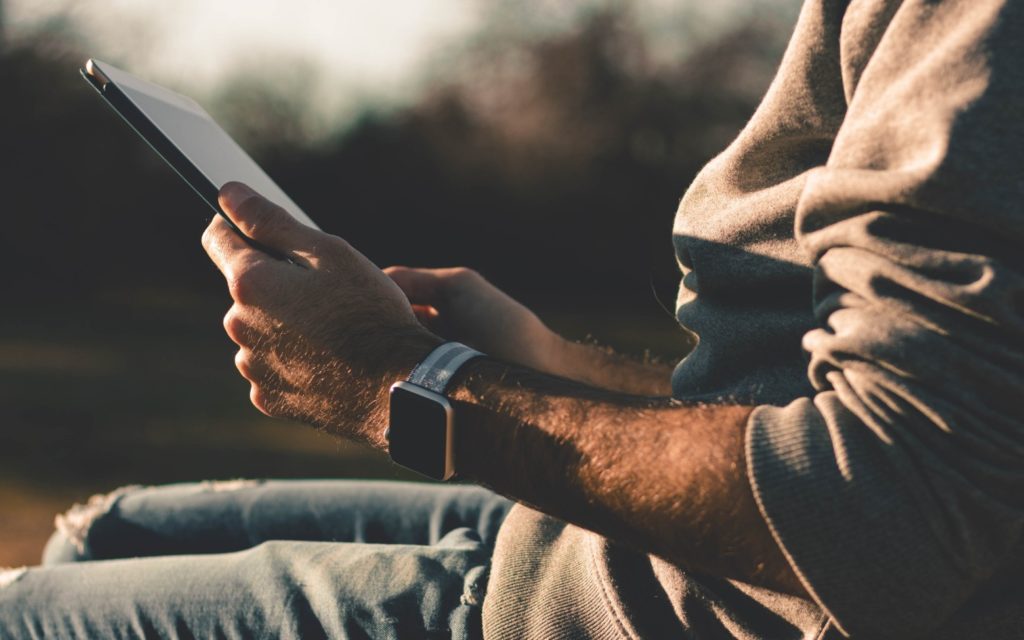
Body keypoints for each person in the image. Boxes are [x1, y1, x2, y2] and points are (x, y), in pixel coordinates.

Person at [2, 0, 1022, 637]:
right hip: (638, 551)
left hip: (674, 604)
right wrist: (542, 362)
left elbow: (894, 506)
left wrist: (402, 381)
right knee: (107, 534)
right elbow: (881, 417)